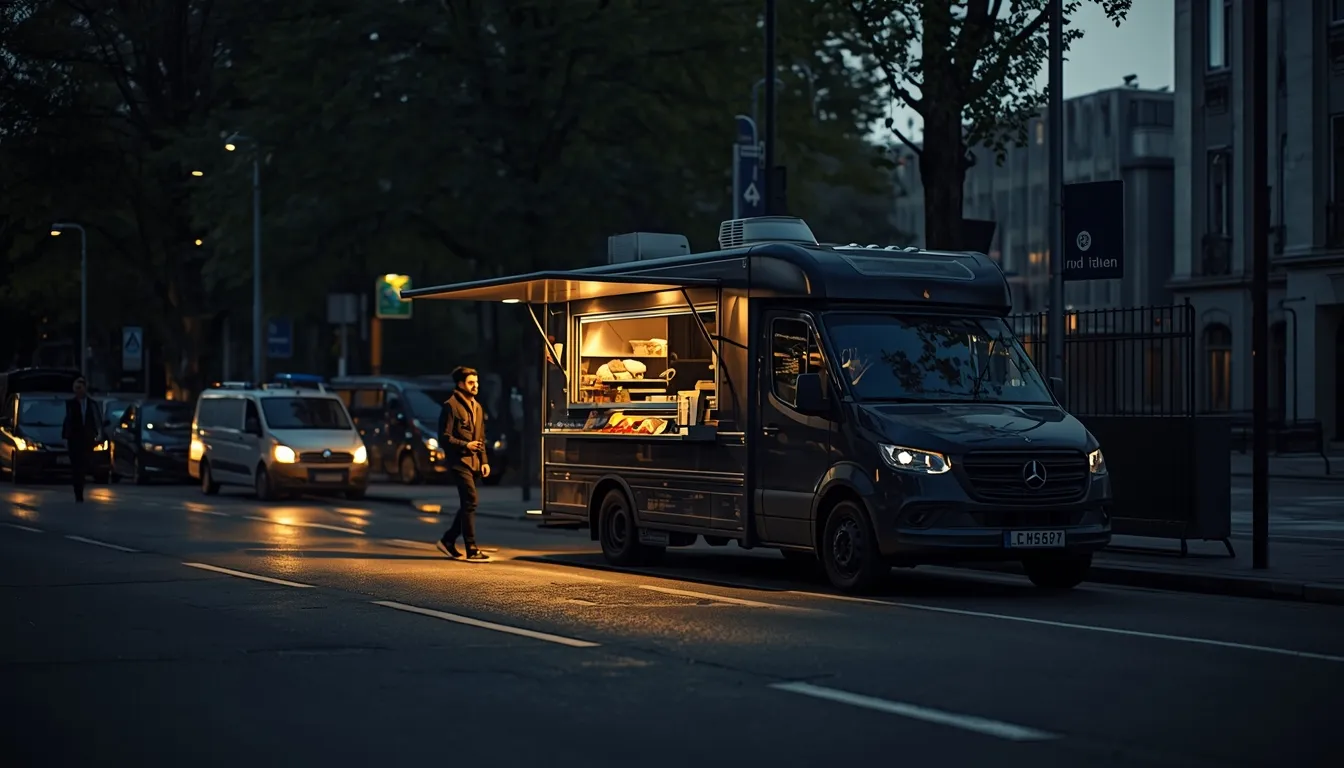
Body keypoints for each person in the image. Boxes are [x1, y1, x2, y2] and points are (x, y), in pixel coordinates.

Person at [434, 366, 491, 561]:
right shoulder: (450, 406)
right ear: (460, 384)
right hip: (459, 461)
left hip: (474, 462)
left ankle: (448, 540)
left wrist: (484, 461)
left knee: (468, 503)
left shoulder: (477, 407)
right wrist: (466, 444)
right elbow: (444, 437)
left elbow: (481, 436)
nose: (475, 386)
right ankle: (472, 548)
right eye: (471, 383)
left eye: (476, 382)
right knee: (471, 500)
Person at [61, 376, 103, 503]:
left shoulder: (91, 404)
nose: (78, 391)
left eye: (80, 388)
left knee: (83, 465)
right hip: (74, 440)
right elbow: (67, 421)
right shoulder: (71, 404)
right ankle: (78, 492)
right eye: (76, 388)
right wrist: (65, 436)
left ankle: (81, 486)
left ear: (85, 388)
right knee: (76, 466)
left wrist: (98, 434)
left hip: (87, 439)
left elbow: (96, 420)